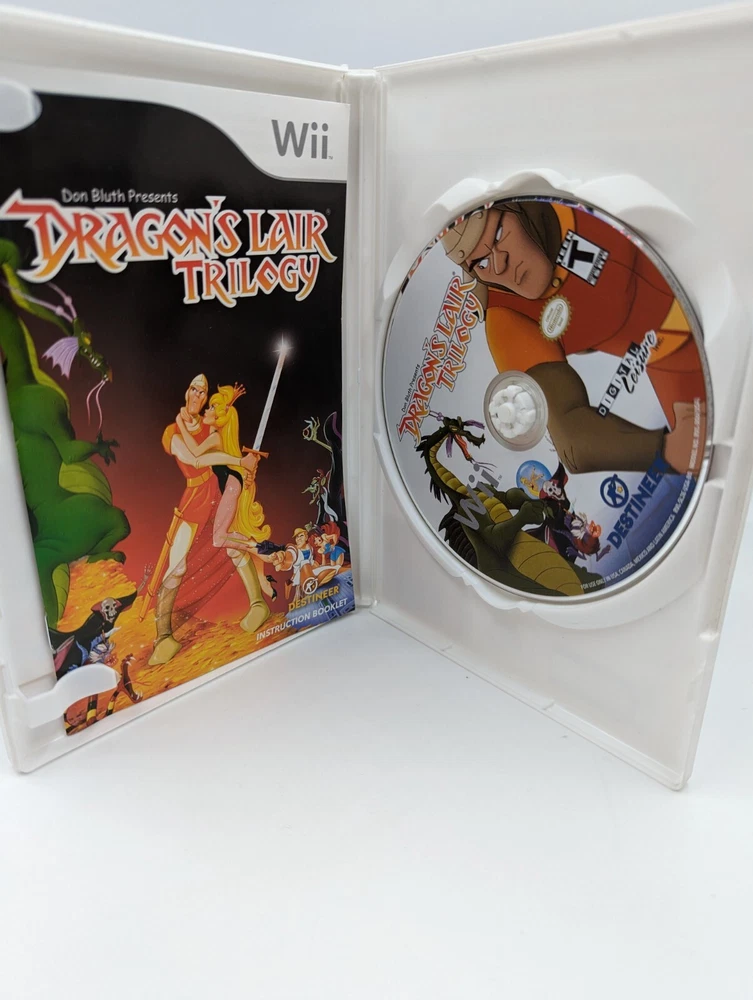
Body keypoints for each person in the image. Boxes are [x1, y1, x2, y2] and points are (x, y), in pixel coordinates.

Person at [442, 200, 706, 476]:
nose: (499, 265)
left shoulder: (568, 201)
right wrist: (664, 449)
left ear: (522, 210)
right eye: (481, 263)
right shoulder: (508, 319)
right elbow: (573, 441)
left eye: (498, 234)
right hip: (679, 362)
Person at [140, 374, 261, 666]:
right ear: (187, 392)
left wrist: (243, 468)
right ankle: (163, 638)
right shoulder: (172, 432)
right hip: (195, 498)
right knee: (177, 564)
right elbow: (194, 459)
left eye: (202, 391)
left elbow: (223, 448)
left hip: (217, 488)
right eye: (194, 388)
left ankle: (258, 605)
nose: (198, 394)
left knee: (230, 546)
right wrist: (238, 462)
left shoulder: (210, 427)